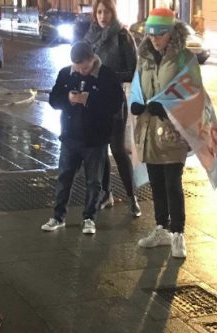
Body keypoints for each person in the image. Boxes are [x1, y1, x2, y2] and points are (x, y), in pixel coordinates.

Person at [130, 8, 199, 258]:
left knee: (173, 184)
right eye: (150, 33)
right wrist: (136, 103)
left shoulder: (184, 58)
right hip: (148, 130)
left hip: (173, 132)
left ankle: (178, 233)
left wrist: (168, 107)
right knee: (157, 183)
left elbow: (193, 93)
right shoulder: (145, 57)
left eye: (160, 33)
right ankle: (161, 227)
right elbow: (138, 85)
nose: (154, 38)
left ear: (171, 32)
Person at [41, 42, 124, 236]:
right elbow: (54, 99)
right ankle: (58, 216)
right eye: (77, 67)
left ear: (92, 59)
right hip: (70, 136)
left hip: (96, 138)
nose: (81, 70)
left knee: (93, 181)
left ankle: (89, 218)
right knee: (64, 177)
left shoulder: (106, 75)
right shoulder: (66, 74)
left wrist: (89, 100)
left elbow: (115, 104)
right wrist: (68, 99)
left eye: (84, 67)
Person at [82, 0, 139, 217]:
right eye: (99, 11)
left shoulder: (122, 36)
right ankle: (107, 193)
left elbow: (133, 70)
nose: (102, 15)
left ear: (113, 13)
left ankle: (132, 196)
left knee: (117, 149)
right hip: (93, 101)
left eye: (106, 11)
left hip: (115, 99)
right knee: (99, 148)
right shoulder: (90, 37)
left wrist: (108, 77)